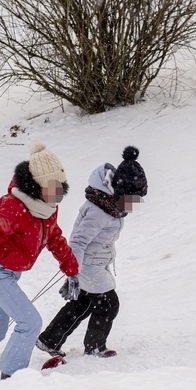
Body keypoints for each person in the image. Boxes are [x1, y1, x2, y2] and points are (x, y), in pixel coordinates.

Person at [0, 142, 80, 387]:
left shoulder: (47, 208)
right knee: (30, 322)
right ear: (37, 185)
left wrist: (72, 271)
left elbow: (55, 238)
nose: (57, 193)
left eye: (60, 187)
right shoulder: (13, 206)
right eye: (52, 187)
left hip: (8, 273)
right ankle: (12, 379)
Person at [36, 146, 148, 358]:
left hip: (93, 263)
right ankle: (95, 345)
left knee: (83, 303)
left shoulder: (110, 206)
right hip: (88, 266)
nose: (135, 204)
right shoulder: (99, 211)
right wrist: (72, 273)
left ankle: (49, 339)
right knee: (108, 304)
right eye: (133, 197)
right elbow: (77, 241)